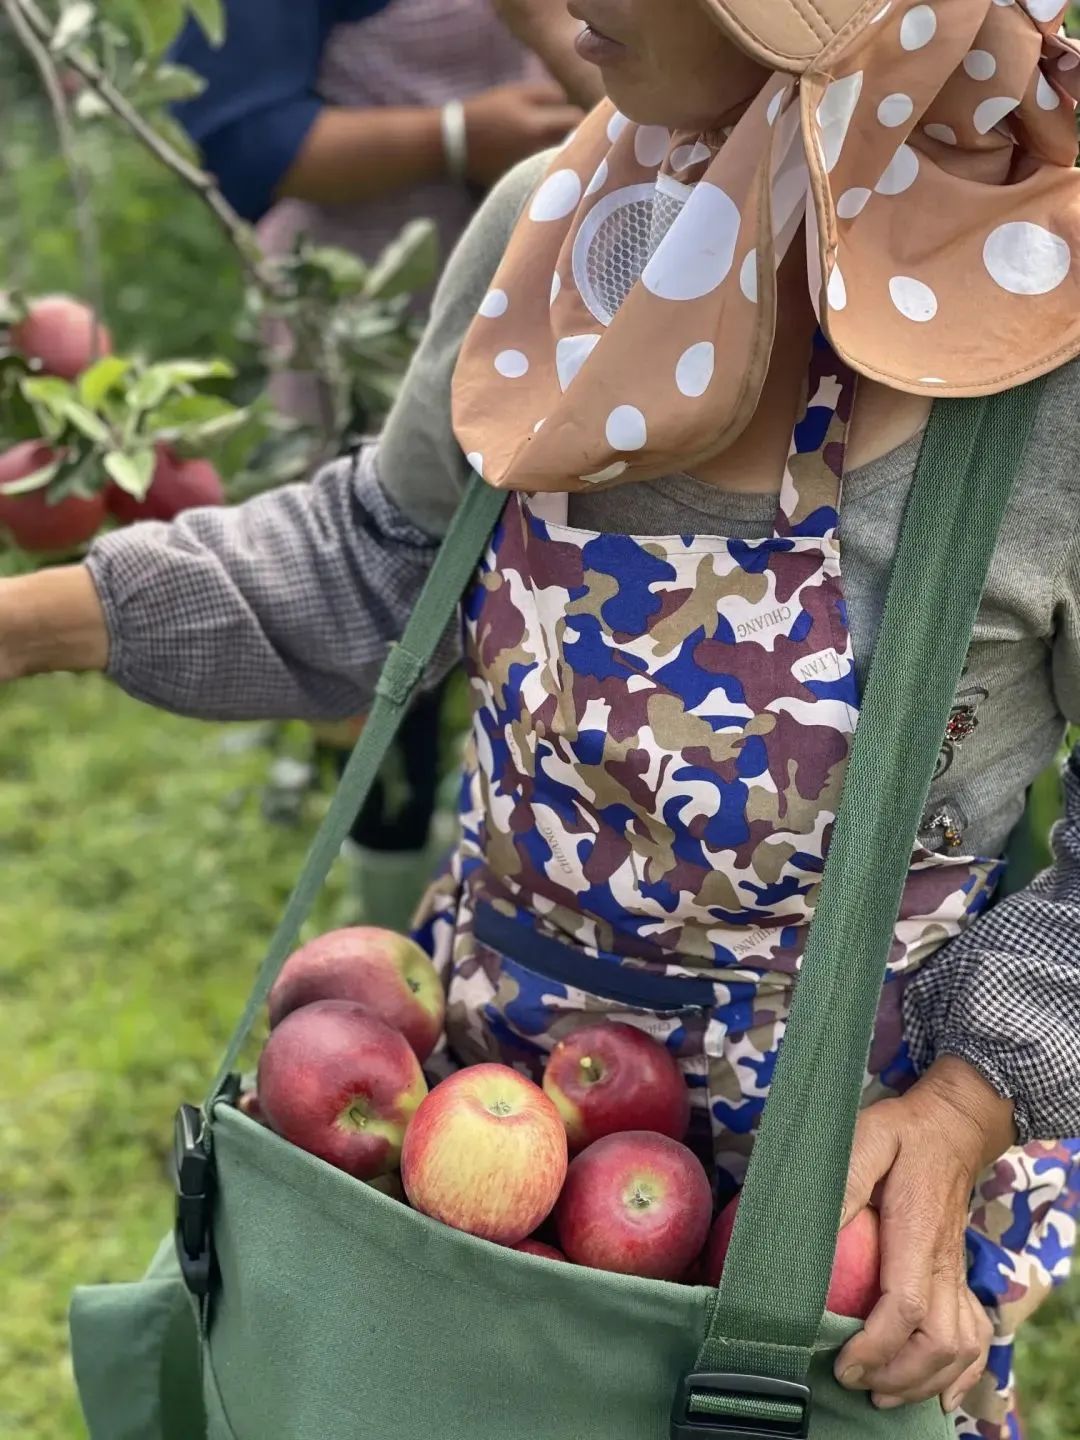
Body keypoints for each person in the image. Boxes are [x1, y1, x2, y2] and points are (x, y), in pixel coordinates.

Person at [6, 0, 1080, 1432]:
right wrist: (23, 628)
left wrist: (971, 1101)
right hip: (482, 1147)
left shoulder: (1046, 349)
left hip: (828, 1225)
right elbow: (379, 561)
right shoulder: (563, 224)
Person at [170, 0, 592, 929]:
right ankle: (388, 893)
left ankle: (503, 853)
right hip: (365, 319)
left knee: (542, 596)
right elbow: (246, 141)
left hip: (557, 310)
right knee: (378, 585)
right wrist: (452, 135)